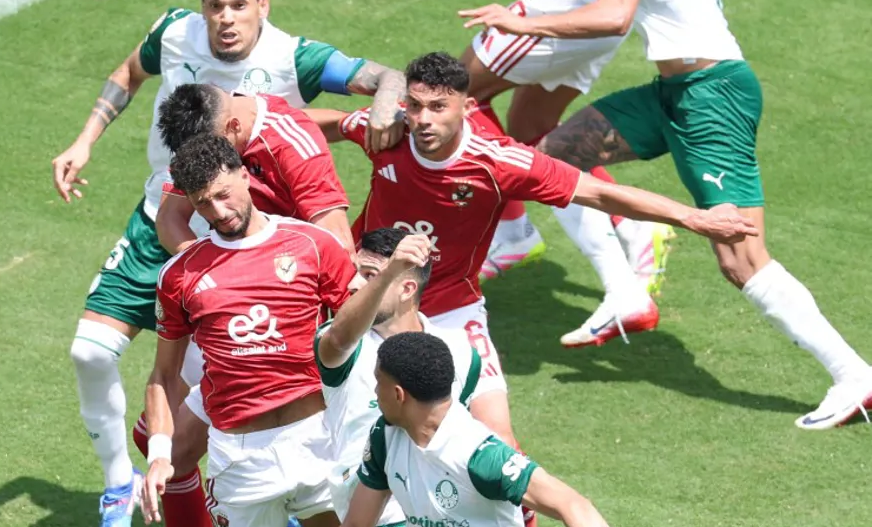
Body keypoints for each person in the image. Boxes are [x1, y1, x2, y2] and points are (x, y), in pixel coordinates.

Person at [458, 0, 872, 429]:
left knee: (740, 258)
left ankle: (852, 374)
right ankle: (626, 277)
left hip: (710, 100)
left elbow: (613, 15)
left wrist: (523, 23)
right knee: (558, 153)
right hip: (677, 91)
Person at [49, 0, 404, 527]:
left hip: (261, 250)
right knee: (116, 380)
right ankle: (146, 516)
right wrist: (86, 142)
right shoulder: (175, 40)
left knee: (224, 418)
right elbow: (132, 81)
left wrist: (370, 115)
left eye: (239, 5)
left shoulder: (292, 73)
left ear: (262, 5)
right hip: (184, 228)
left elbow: (335, 240)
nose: (226, 18)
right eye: (215, 6)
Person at [310, 52, 757, 380]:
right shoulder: (389, 130)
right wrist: (273, 121)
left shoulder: (500, 162)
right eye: (415, 106)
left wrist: (692, 218)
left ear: (467, 109)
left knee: (491, 430)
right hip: (364, 293)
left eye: (438, 107)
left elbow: (598, 192)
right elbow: (323, 124)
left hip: (450, 307)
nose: (423, 119)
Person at [403, 0, 688, 310]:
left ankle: (514, 233)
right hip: (566, 0)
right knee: (533, 133)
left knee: (450, 97)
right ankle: (630, 224)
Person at [292, 229, 575, 527]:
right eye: (357, 273)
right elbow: (340, 337)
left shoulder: (458, 351)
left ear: (407, 287)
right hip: (366, 517)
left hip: (429, 515)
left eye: (370, 275)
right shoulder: (343, 343)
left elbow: (475, 438)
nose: (353, 284)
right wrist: (390, 271)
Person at [144, 134, 356, 527]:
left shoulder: (312, 245)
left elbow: (363, 332)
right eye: (203, 204)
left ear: (245, 175)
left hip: (320, 443)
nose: (218, 212)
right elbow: (163, 376)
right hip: (240, 463)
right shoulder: (181, 275)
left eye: (224, 194)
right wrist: (160, 453)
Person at [305, 332, 667, 527]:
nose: (375, 392)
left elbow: (572, 504)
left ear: (399, 394)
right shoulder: (386, 438)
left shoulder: (477, 453)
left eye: (378, 382)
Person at [155, 83, 351, 254]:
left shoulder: (291, 142)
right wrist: (209, 271)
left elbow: (337, 240)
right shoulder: (201, 135)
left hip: (296, 264)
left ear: (234, 126)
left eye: (215, 149)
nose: (208, 160)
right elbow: (170, 218)